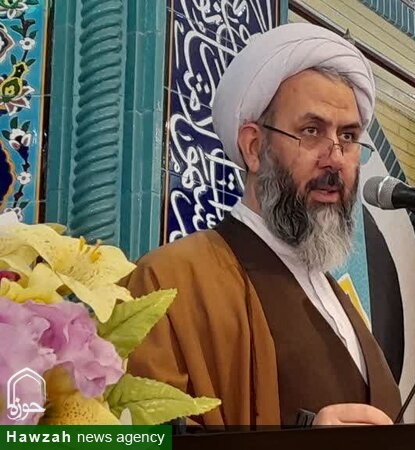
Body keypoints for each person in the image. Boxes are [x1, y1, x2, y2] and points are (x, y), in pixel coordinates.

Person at [125, 23, 400, 426]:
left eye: (348, 136)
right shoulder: (166, 283)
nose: (336, 158)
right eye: (311, 131)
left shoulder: (334, 297)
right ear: (254, 147)